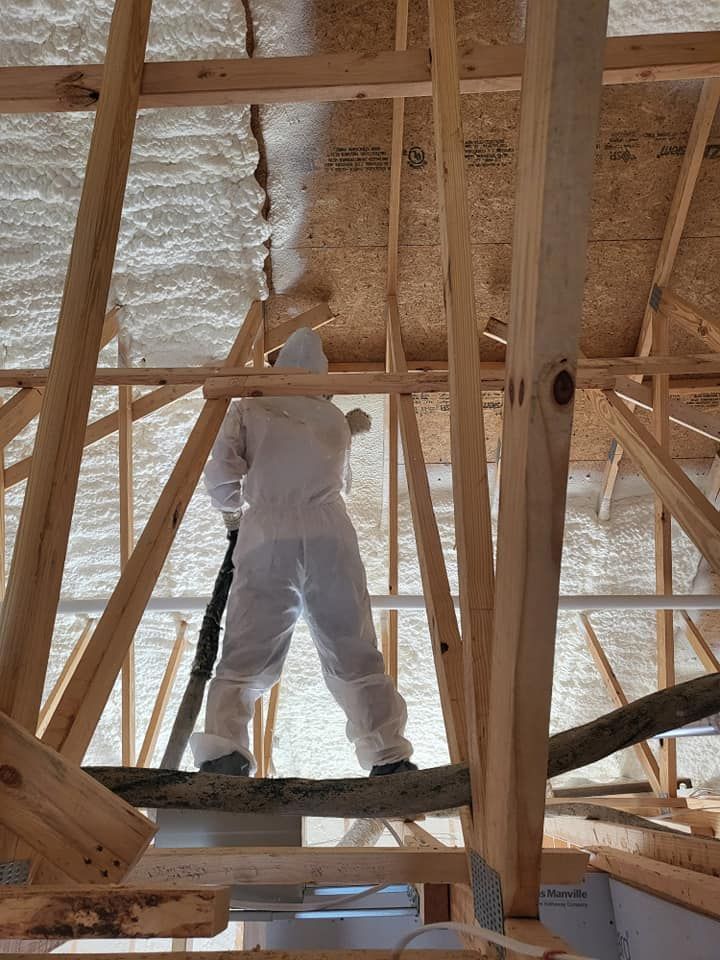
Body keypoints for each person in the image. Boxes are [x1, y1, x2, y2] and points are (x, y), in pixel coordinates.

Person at [190, 327, 416, 778]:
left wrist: (232, 511)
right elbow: (342, 481)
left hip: (268, 532)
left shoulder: (250, 407)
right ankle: (388, 756)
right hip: (330, 532)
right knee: (352, 644)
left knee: (249, 645)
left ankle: (224, 755)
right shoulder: (330, 418)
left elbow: (220, 472)